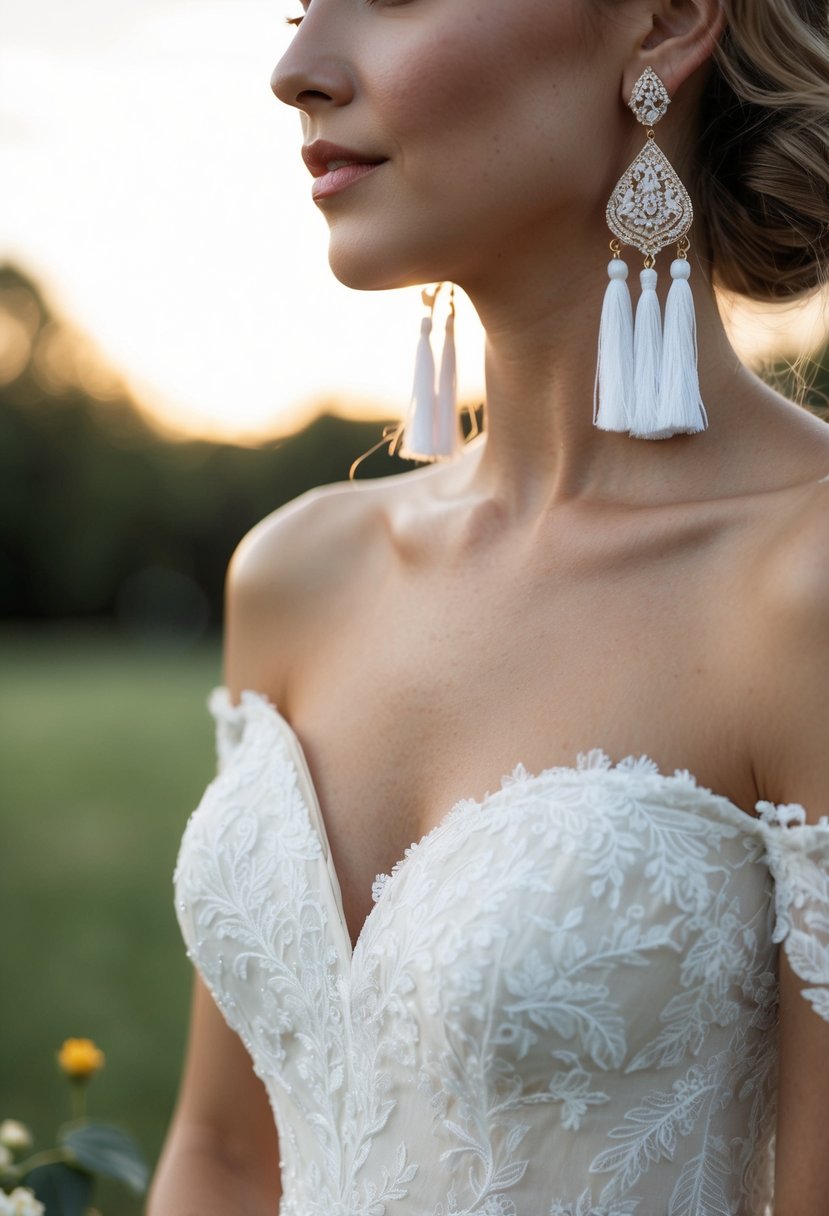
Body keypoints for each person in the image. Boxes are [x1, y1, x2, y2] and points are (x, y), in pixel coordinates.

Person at [148, 0, 829, 1212]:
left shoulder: (802, 587)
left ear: (666, 23)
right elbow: (227, 1150)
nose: (295, 70)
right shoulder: (295, 573)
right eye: (301, 5)